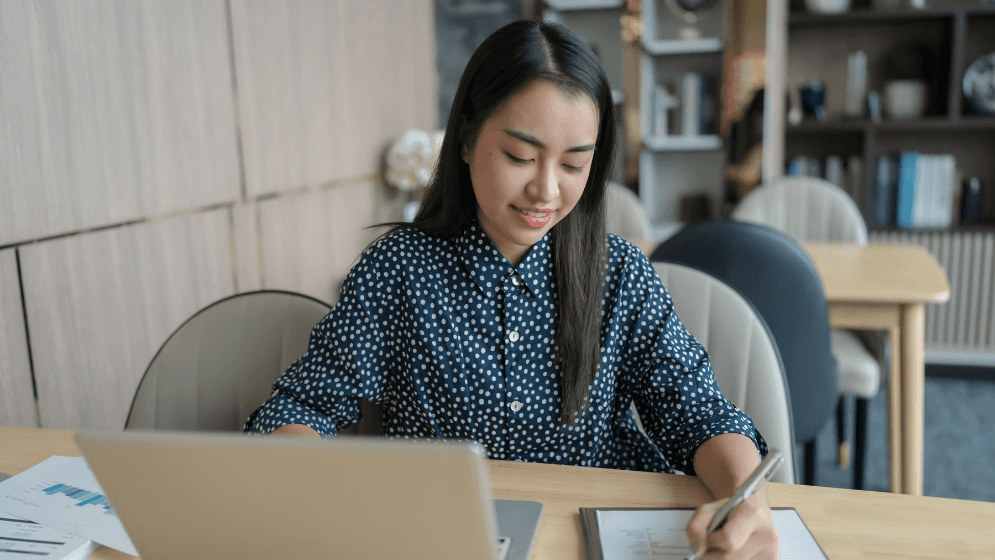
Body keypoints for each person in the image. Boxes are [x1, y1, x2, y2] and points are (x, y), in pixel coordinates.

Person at [245, 19, 778, 559]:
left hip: (593, 541)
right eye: (521, 157)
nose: (545, 189)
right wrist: (304, 487)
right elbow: (304, 407)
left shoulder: (617, 274)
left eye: (574, 164)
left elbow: (696, 412)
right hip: (443, 539)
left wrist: (748, 500)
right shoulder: (398, 270)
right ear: (468, 140)